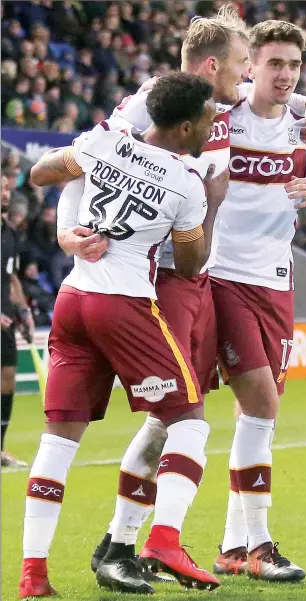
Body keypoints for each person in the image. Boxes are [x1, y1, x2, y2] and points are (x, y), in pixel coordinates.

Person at [29, 6, 306, 588]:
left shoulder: (223, 100)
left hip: (202, 281)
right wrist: (66, 232)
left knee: (197, 414)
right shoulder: (151, 103)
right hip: (162, 280)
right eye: (243, 64)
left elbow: (272, 89)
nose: (250, 76)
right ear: (215, 65)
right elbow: (82, 160)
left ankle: (171, 545)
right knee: (174, 417)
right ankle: (134, 544)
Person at [19, 72, 229, 598]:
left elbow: (41, 172)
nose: (213, 124)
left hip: (72, 301)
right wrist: (205, 209)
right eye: (208, 117)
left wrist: (73, 230)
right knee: (189, 419)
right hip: (125, 304)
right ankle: (162, 539)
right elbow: (187, 264)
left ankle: (34, 575)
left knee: (57, 442)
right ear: (184, 126)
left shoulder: (102, 141)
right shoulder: (186, 182)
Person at [210, 20, 306, 581]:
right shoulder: (225, 111)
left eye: (294, 65)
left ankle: (230, 548)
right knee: (261, 408)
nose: (285, 74)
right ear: (251, 66)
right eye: (274, 63)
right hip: (222, 277)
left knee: (255, 418)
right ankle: (261, 547)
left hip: (278, 284)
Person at [1, 175, 35, 468]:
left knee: (7, 380)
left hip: (6, 321)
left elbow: (12, 278)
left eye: (6, 188)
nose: (5, 193)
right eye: (0, 188)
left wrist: (23, 312)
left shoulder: (10, 234)